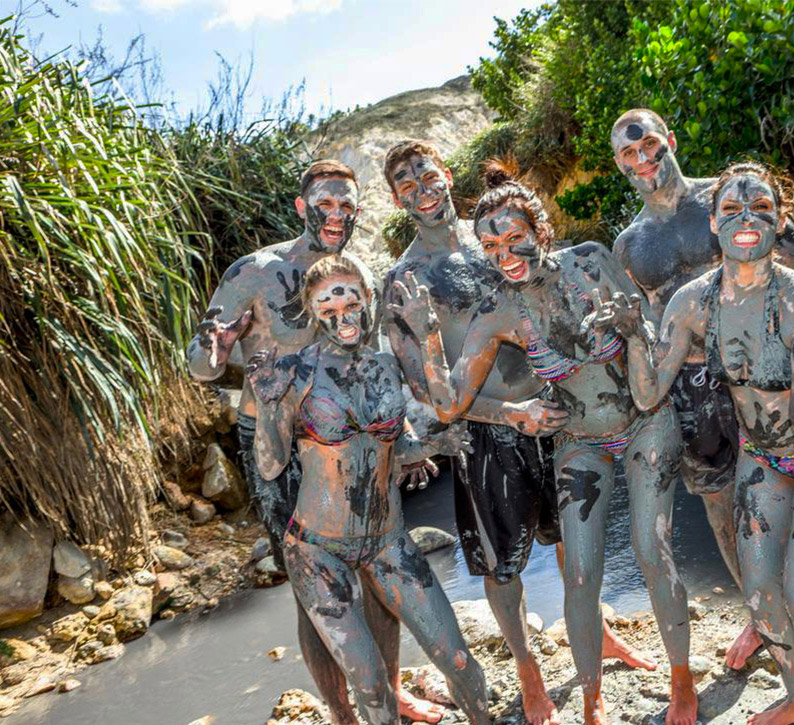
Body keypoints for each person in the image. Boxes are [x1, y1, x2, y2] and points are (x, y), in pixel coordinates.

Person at [390, 164, 698, 725]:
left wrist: (634, 331)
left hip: (645, 419)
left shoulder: (591, 260)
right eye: (491, 246)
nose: (505, 253)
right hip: (576, 437)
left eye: (515, 238)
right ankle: (589, 698)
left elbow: (650, 334)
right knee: (579, 571)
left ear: (540, 228)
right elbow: (449, 402)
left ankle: (682, 681)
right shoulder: (498, 310)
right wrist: (427, 333)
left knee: (652, 552)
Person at [596, 162, 794, 725]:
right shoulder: (693, 301)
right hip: (761, 458)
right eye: (732, 210)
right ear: (713, 223)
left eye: (761, 209)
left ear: (780, 220)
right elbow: (648, 396)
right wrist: (631, 339)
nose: (746, 219)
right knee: (763, 600)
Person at [186, 160, 444, 723]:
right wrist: (217, 348)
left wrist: (401, 433)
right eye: (324, 204)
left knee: (379, 566)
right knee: (313, 588)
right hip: (279, 443)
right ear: (303, 207)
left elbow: (376, 366)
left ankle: (389, 694)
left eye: (346, 205)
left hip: (357, 441)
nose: (335, 215)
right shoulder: (255, 272)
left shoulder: (354, 273)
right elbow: (200, 364)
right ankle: (342, 714)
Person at [247, 254, 492, 725]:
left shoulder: (385, 366)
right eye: (329, 309)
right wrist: (267, 400)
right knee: (370, 682)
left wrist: (435, 444)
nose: (342, 318)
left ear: (367, 300)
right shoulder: (296, 372)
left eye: (350, 303)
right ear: (314, 313)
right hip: (318, 551)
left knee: (458, 658)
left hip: (387, 539)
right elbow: (271, 464)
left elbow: (394, 443)